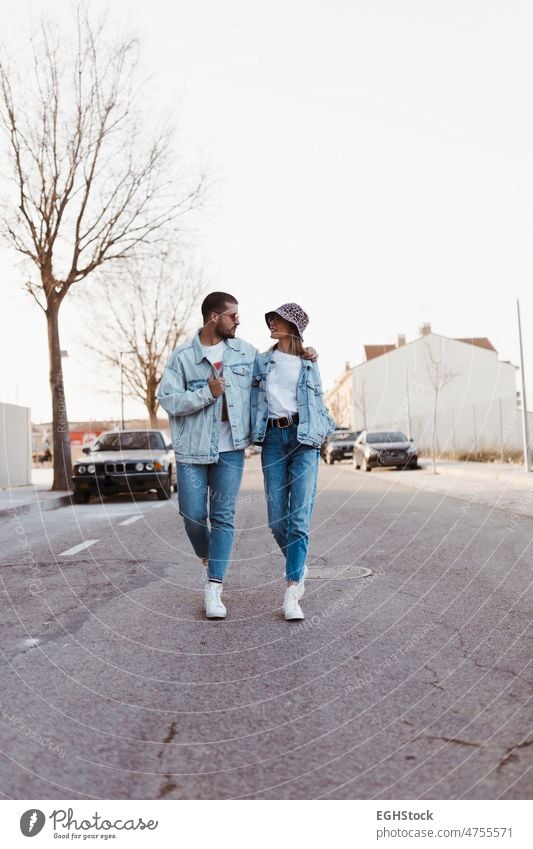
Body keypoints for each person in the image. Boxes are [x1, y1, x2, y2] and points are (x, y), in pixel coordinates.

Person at [157, 292, 317, 620]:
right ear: (214, 317)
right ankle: (208, 555)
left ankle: (214, 587)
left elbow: (281, 365)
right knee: (191, 515)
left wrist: (307, 352)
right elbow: (168, 399)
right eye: (233, 315)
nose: (239, 321)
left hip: (231, 448)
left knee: (224, 516)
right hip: (192, 448)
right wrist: (206, 393)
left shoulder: (246, 353)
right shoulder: (183, 356)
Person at [251, 303, 336, 621]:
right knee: (276, 523)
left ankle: (292, 592)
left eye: (278, 319)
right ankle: (299, 565)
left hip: (303, 442)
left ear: (294, 326)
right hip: (273, 440)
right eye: (270, 318)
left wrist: (322, 432)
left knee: (298, 521)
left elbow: (318, 403)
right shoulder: (261, 361)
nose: (271, 322)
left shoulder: (309, 361)